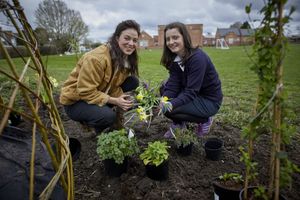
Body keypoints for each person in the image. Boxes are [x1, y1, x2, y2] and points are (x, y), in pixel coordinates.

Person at [60, 19, 141, 134]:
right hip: (76, 101)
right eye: (127, 38)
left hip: (98, 92)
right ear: (117, 38)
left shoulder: (124, 58)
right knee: (108, 117)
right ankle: (97, 124)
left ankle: (106, 114)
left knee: (133, 81)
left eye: (135, 40)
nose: (131, 44)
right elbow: (85, 91)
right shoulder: (96, 59)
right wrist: (115, 101)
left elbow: (113, 85)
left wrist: (123, 99)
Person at [159, 22, 223, 138]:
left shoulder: (197, 58)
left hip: (209, 100)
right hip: (193, 95)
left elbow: (191, 91)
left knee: (170, 109)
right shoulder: (176, 59)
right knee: (164, 88)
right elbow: (173, 85)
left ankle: (205, 120)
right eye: (168, 39)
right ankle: (179, 124)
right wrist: (164, 99)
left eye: (175, 37)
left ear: (184, 37)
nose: (171, 42)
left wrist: (171, 104)